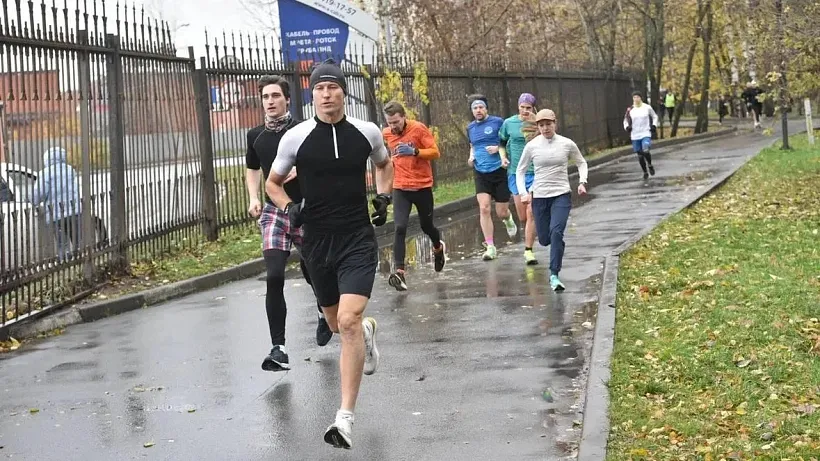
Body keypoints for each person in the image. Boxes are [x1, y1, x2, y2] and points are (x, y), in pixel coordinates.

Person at [266, 59, 394, 449]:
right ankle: (367, 334)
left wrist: (384, 196)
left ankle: (344, 419)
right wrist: (289, 208)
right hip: (317, 242)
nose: (326, 94)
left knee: (350, 321)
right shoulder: (296, 137)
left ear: (342, 91)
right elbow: (273, 184)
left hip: (357, 237)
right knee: (339, 325)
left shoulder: (366, 131)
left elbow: (385, 165)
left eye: (332, 87)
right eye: (319, 88)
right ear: (312, 94)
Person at [246, 75, 333, 372]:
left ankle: (324, 309)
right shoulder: (255, 136)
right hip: (274, 212)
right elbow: (253, 168)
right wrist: (253, 198)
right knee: (274, 275)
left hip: (305, 210)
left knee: (314, 270)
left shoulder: (303, 130)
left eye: (275, 96)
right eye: (265, 97)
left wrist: (300, 169)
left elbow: (323, 165)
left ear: (286, 99)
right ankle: (278, 348)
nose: (270, 101)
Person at [516, 109, 588, 292]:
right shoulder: (532, 146)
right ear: (538, 127)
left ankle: (554, 274)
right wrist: (523, 192)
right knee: (545, 239)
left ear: (555, 123)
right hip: (539, 197)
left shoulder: (566, 143)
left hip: (561, 195)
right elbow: (520, 170)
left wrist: (582, 182)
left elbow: (581, 162)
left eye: (548, 124)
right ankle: (556, 243)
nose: (545, 128)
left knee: (556, 232)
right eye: (541, 125)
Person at [382, 101, 446, 291]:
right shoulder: (386, 134)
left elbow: (435, 152)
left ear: (403, 117)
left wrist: (415, 151)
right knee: (400, 227)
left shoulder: (418, 129)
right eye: (390, 123)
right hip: (401, 187)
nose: (393, 126)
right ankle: (400, 272)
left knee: (427, 226)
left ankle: (438, 248)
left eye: (396, 122)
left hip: (422, 186)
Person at [466, 95, 518, 261]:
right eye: (475, 108)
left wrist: (497, 149)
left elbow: (509, 142)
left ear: (486, 108)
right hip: (480, 171)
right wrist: (471, 157)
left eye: (481, 107)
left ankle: (508, 219)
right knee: (484, 208)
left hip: (499, 170)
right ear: (472, 111)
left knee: (501, 212)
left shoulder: (498, 122)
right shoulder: (470, 128)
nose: (478, 110)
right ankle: (490, 246)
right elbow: (472, 146)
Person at [499, 93, 539, 266]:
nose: (525, 111)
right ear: (518, 107)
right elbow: (501, 143)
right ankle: (529, 237)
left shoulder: (538, 122)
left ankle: (528, 250)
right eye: (522, 107)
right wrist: (503, 157)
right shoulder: (509, 123)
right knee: (523, 216)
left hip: (536, 172)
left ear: (533, 108)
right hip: (516, 173)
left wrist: (536, 124)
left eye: (528, 108)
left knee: (531, 212)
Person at [31, 146, 81, 261]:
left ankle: (65, 265)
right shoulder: (70, 170)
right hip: (75, 211)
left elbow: (38, 194)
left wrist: (31, 200)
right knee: (78, 241)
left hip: (57, 215)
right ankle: (81, 263)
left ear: (47, 159)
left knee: (62, 244)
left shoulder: (45, 173)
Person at [624, 91, 659, 180]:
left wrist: (654, 125)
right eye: (634, 97)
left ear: (641, 98)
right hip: (635, 135)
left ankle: (650, 165)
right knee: (640, 155)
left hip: (645, 133)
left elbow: (655, 116)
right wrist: (627, 127)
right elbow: (625, 120)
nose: (636, 99)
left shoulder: (647, 107)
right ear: (633, 99)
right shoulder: (630, 109)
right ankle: (645, 171)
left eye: (638, 97)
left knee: (646, 150)